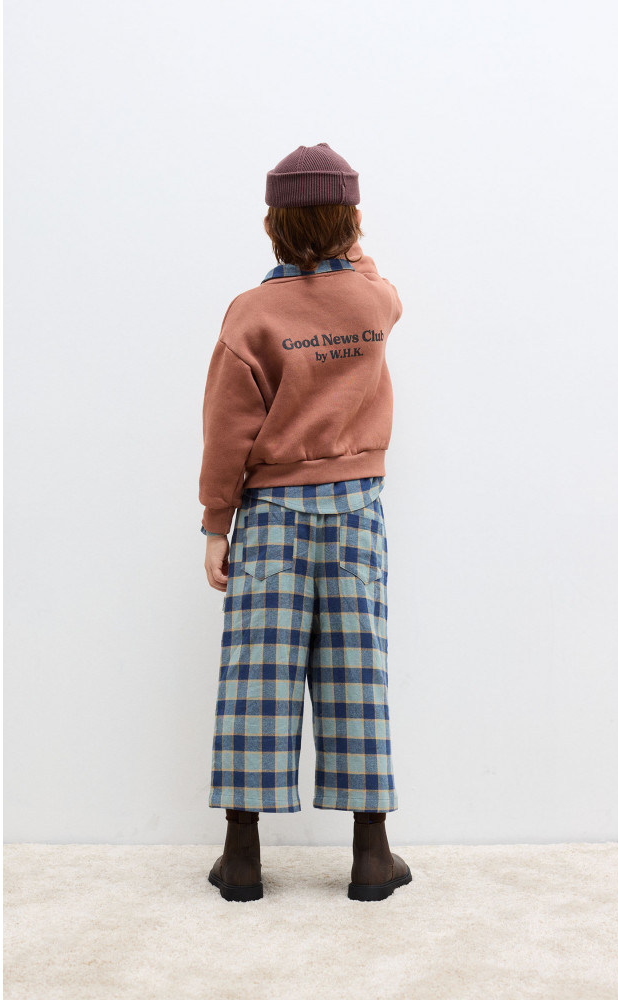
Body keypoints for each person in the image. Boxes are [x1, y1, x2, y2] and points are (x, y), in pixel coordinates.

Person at [198, 142, 410, 903]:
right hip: (356, 512)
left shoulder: (251, 314)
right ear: (354, 221)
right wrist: (347, 247)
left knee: (258, 676)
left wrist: (216, 523)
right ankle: (371, 856)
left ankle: (242, 858)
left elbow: (227, 430)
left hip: (272, 519)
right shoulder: (372, 301)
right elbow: (373, 277)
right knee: (358, 674)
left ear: (270, 227)